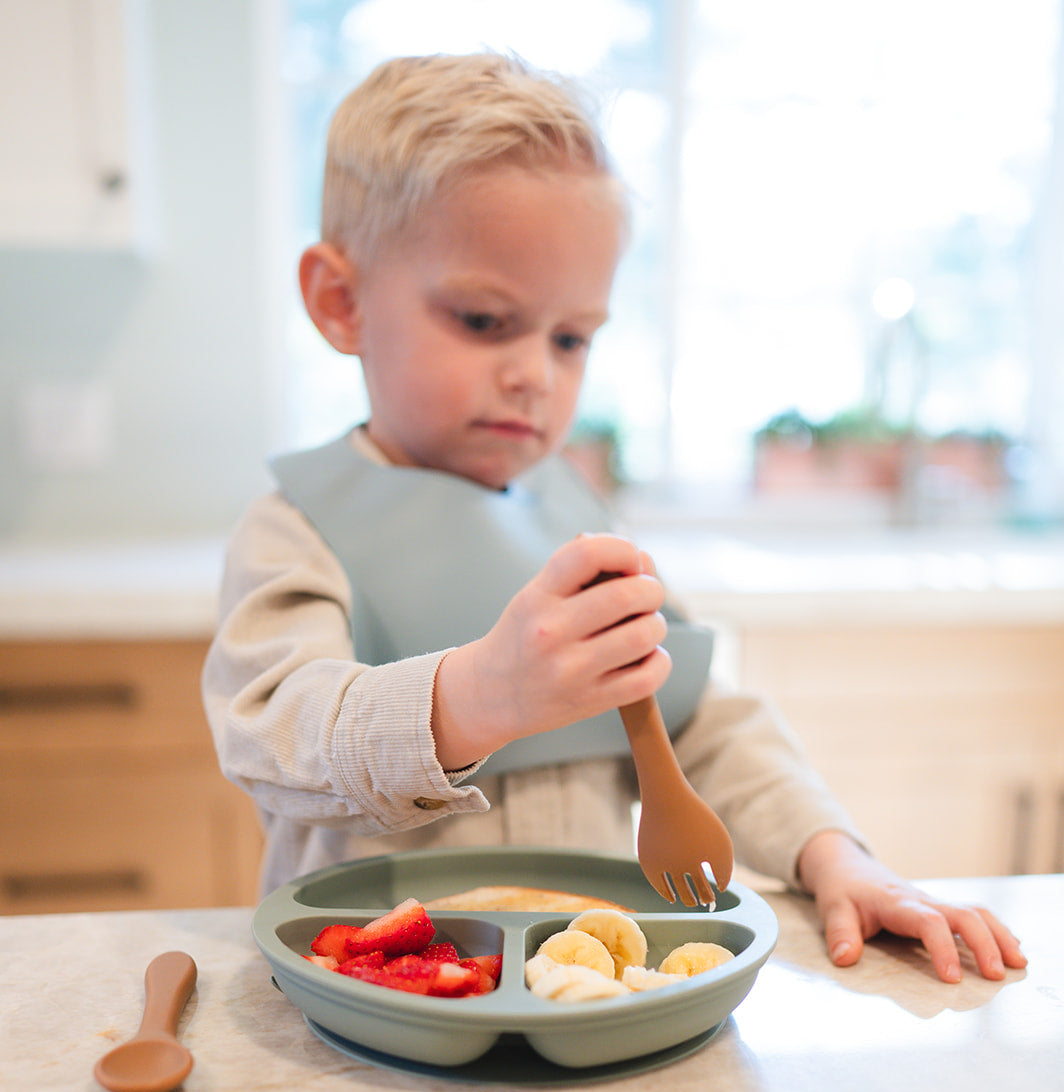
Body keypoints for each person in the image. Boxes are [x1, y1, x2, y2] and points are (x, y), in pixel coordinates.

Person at [202, 51, 1025, 985]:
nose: (535, 374)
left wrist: (835, 855)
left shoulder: (573, 517)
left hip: (580, 987)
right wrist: (477, 699)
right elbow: (275, 737)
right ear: (340, 302)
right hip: (379, 1001)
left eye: (571, 338)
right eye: (482, 320)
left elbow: (699, 719)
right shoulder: (297, 527)